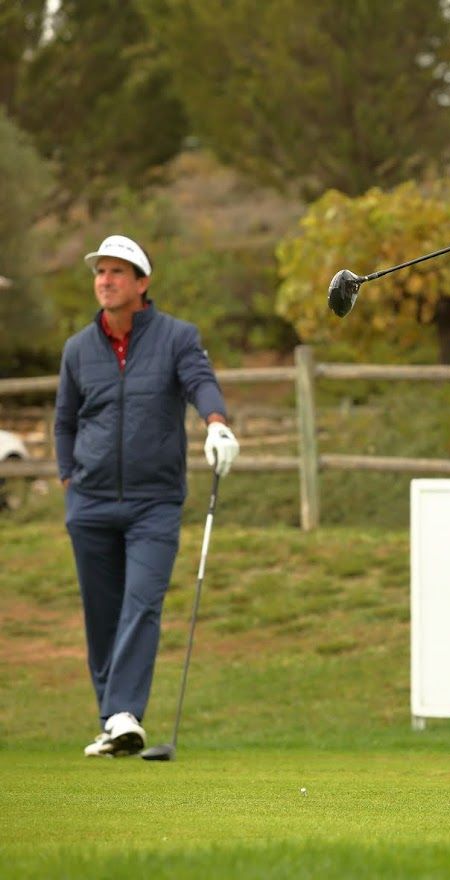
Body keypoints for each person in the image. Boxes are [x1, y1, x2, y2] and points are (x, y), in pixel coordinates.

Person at [54, 234, 240, 758]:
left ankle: (122, 714)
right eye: (100, 272)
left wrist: (217, 424)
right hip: (89, 502)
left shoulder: (178, 338)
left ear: (142, 282)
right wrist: (68, 474)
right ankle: (115, 721)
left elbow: (200, 382)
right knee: (101, 614)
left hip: (153, 501)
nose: (105, 281)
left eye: (117, 272)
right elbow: (64, 420)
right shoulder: (77, 349)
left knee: (142, 603)